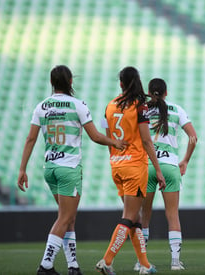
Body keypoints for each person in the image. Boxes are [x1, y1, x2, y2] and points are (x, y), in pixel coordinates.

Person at [17, 65, 127, 275]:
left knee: (68, 217)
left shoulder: (41, 107)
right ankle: (45, 265)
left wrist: (22, 169)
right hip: (69, 168)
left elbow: (30, 138)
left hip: (50, 168)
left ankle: (73, 266)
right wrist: (115, 142)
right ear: (70, 82)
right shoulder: (78, 105)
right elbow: (95, 136)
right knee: (65, 218)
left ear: (52, 83)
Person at [95, 67, 166, 275]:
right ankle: (107, 260)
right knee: (129, 217)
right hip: (135, 166)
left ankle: (145, 265)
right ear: (137, 81)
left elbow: (108, 136)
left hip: (117, 165)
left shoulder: (109, 106)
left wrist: (115, 157)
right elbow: (146, 140)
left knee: (134, 219)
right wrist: (158, 171)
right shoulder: (140, 107)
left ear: (121, 84)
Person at [133, 78, 197, 271]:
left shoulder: (141, 109)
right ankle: (175, 262)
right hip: (169, 166)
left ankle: (140, 262)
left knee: (144, 216)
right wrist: (185, 160)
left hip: (147, 165)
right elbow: (193, 137)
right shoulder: (177, 110)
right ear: (166, 92)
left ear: (149, 92)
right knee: (172, 215)